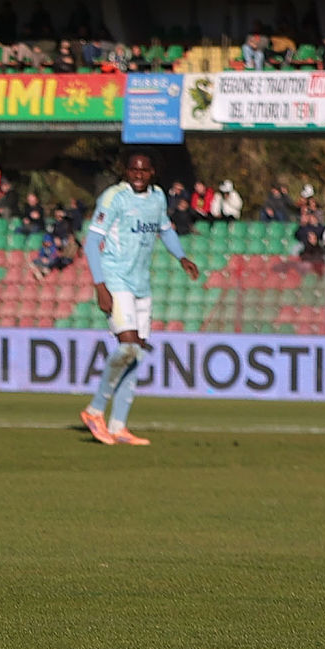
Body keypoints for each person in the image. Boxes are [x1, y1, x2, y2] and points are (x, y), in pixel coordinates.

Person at [80, 153, 201, 447]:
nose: (138, 174)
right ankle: (95, 410)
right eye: (133, 169)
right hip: (115, 279)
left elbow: (165, 230)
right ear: (126, 171)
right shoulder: (113, 198)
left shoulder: (158, 197)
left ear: (152, 173)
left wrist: (181, 256)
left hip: (141, 284)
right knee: (128, 346)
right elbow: (92, 242)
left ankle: (119, 426)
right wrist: (100, 285)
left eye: (144, 170)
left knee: (137, 354)